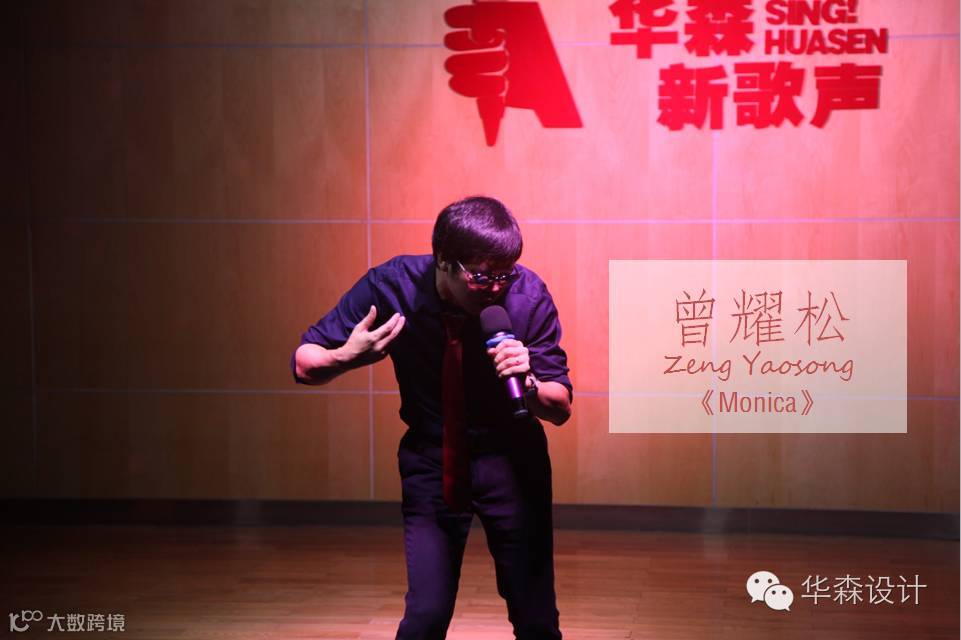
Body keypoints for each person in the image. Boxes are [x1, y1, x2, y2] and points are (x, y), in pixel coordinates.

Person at [291, 196, 573, 639]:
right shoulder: (391, 286)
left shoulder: (528, 295)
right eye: (482, 275)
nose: (496, 287)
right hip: (431, 459)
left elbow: (560, 407)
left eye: (505, 273)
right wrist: (346, 356)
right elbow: (305, 363)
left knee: (535, 617)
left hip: (513, 460)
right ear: (443, 259)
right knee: (426, 615)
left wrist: (530, 382)